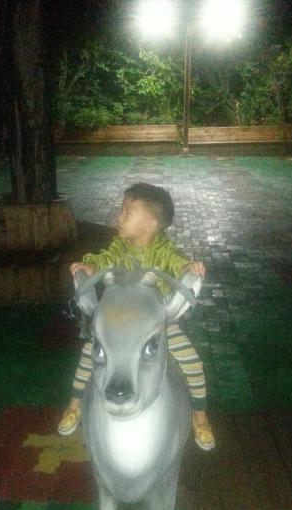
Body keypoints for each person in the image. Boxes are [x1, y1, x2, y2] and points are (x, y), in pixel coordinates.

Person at [57, 182, 215, 451]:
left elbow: (177, 263)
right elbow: (104, 259)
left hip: (155, 325)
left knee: (193, 363)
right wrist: (90, 265)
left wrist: (189, 267)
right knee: (89, 354)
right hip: (119, 322)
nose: (118, 217)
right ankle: (75, 404)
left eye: (127, 213)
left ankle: (199, 417)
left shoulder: (163, 252)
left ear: (149, 225)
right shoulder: (120, 247)